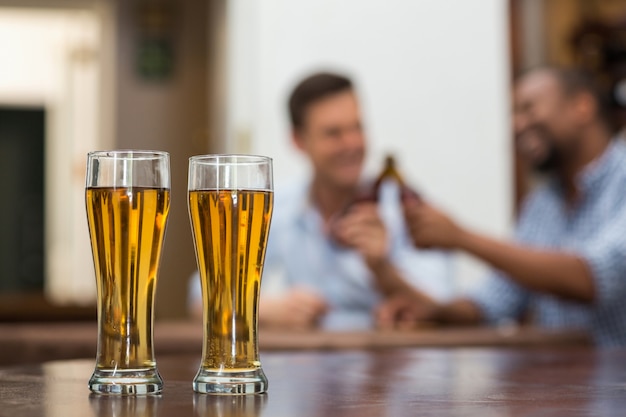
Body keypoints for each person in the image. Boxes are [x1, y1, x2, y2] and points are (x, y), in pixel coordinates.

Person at [377, 66, 626, 347]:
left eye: (528, 109)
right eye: (514, 114)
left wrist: (461, 237)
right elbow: (494, 302)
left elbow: (593, 278)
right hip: (567, 386)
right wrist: (433, 312)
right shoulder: (541, 204)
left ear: (582, 106)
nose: (517, 125)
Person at [189, 71, 452, 330]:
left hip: (391, 366)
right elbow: (200, 296)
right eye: (333, 133)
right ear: (298, 140)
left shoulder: (404, 207)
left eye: (357, 128)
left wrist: (383, 269)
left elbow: (447, 310)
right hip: (306, 367)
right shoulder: (278, 205)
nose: (352, 143)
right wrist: (263, 309)